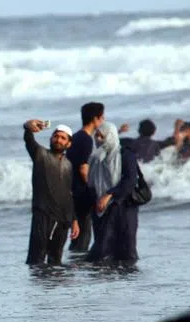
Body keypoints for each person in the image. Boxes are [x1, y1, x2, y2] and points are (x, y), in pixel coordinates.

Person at [22, 119, 79, 265]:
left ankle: (53, 287)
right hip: (43, 215)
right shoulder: (40, 154)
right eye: (56, 136)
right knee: (36, 259)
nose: (58, 140)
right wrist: (28, 127)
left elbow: (69, 194)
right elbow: (29, 140)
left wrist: (74, 220)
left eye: (62, 138)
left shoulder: (69, 165)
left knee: (56, 260)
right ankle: (36, 288)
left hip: (63, 219)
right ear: (51, 138)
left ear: (69, 143)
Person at [87, 122, 140, 264]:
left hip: (123, 207)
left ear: (110, 137)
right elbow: (91, 185)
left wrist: (109, 194)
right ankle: (106, 285)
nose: (98, 139)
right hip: (102, 210)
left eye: (101, 136)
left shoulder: (125, 155)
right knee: (102, 251)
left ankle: (126, 284)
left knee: (126, 251)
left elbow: (129, 180)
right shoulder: (95, 158)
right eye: (96, 136)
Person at [68, 102, 105, 252]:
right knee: (83, 235)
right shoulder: (85, 139)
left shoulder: (76, 137)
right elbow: (83, 168)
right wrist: (94, 189)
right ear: (95, 119)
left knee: (79, 234)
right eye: (102, 117)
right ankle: (77, 266)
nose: (103, 121)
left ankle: (75, 263)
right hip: (81, 193)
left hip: (73, 190)